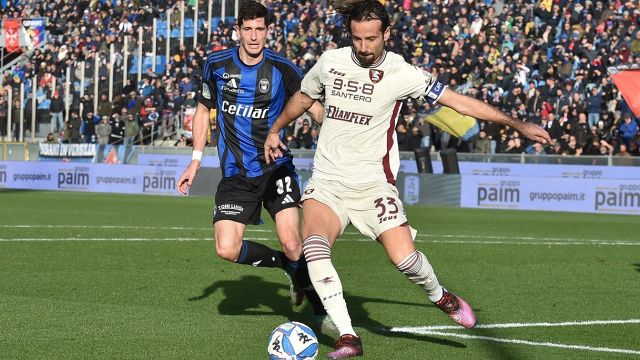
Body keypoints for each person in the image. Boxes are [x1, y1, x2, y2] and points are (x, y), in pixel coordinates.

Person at [264, 1, 552, 358]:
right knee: (315, 249)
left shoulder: (402, 73)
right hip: (327, 182)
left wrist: (517, 124)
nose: (364, 47)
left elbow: (458, 103)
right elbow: (303, 98)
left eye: (371, 39)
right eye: (357, 39)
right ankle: (348, 336)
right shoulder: (330, 61)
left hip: (372, 186)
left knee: (405, 260)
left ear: (387, 34)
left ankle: (441, 296)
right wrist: (275, 129)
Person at [176, 0, 329, 327]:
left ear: (268, 31)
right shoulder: (216, 64)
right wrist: (194, 161)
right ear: (238, 31)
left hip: (276, 169)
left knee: (292, 243)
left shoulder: (282, 68)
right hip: (236, 174)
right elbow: (203, 110)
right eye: (248, 29)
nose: (254, 36)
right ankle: (287, 268)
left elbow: (311, 105)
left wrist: (331, 123)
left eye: (260, 29)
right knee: (226, 248)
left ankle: (322, 312)